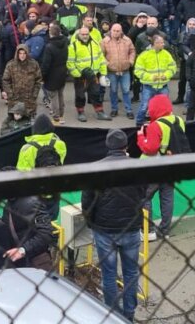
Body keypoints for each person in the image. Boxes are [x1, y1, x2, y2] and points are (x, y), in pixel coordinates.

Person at [81, 129, 145, 322]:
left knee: (108, 274)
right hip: (131, 227)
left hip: (104, 229)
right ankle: (129, 314)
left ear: (108, 146)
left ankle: (111, 314)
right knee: (131, 273)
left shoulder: (95, 168)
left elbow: (87, 201)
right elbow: (144, 193)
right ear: (126, 146)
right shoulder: (138, 167)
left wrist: (90, 222)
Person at [136, 94, 185, 239]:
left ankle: (148, 231)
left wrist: (141, 136)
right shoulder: (179, 120)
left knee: (145, 197)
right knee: (167, 198)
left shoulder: (155, 126)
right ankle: (164, 231)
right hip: (171, 166)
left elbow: (150, 149)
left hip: (153, 168)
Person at [68, 26, 110, 122]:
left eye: (86, 34)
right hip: (81, 76)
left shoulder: (95, 43)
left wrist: (103, 73)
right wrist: (77, 74)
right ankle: (80, 113)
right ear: (79, 34)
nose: (85, 36)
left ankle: (100, 112)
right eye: (83, 34)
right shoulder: (73, 46)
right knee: (80, 95)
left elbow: (101, 58)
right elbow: (70, 63)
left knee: (96, 94)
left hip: (94, 75)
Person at [102, 23, 136, 119]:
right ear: (111, 30)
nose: (115, 32)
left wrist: (130, 61)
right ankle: (114, 109)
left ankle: (129, 110)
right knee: (113, 91)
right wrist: (107, 64)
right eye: (114, 30)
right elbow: (101, 55)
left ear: (121, 31)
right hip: (112, 71)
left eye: (118, 31)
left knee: (126, 91)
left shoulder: (127, 40)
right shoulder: (105, 41)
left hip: (125, 71)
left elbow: (132, 51)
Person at [2, 44, 43, 119]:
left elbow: (38, 80)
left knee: (29, 121)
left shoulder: (34, 64)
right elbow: (5, 80)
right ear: (17, 54)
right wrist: (10, 94)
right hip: (15, 100)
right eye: (20, 53)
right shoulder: (11, 65)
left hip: (29, 100)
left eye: (24, 53)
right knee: (14, 122)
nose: (22, 55)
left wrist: (34, 95)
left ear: (27, 54)